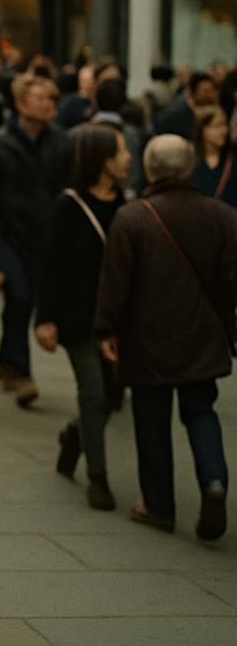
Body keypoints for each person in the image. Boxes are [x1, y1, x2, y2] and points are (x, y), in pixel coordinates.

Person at [96, 135, 236, 540]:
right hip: (203, 332)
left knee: (151, 417)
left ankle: (158, 506)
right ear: (189, 167)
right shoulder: (224, 216)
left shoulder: (132, 217)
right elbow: (231, 282)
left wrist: (106, 328)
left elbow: (116, 283)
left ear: (151, 169)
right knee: (201, 409)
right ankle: (214, 481)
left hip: (147, 335)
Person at [35, 124, 130, 511]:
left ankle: (74, 438)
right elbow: (51, 265)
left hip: (117, 319)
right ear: (102, 161)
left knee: (108, 396)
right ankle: (98, 478)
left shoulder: (126, 203)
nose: (128, 158)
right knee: (93, 392)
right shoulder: (68, 206)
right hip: (77, 318)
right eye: (120, 152)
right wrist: (45, 319)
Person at [0, 73, 68, 407]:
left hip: (46, 240)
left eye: (53, 99)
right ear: (20, 104)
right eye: (42, 98)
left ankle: (7, 362)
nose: (50, 105)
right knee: (18, 299)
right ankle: (21, 373)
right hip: (9, 240)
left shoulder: (61, 142)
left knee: (27, 304)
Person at [190, 105, 237, 208]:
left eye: (225, 125)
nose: (224, 131)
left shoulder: (233, 161)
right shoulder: (189, 162)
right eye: (218, 126)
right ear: (204, 130)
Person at [155, 72, 219, 140]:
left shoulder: (214, 110)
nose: (211, 96)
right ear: (193, 93)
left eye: (212, 91)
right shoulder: (177, 114)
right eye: (206, 91)